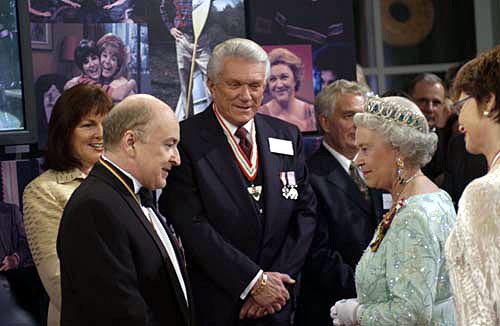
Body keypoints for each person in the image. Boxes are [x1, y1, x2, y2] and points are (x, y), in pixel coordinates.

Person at [159, 38, 317, 326]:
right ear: (211, 85)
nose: (246, 96)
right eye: (234, 85)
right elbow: (190, 223)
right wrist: (253, 282)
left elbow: (305, 215)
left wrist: (275, 285)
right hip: (221, 303)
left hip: (279, 302)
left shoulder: (287, 135)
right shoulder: (185, 140)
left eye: (255, 86)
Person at [57, 94, 192, 326]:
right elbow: (119, 314)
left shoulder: (132, 195)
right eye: (169, 145)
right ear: (130, 142)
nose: (177, 159)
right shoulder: (94, 207)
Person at [331, 96, 456, 325]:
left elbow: (411, 314)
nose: (357, 160)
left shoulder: (414, 215)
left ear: (398, 151)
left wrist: (357, 314)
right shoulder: (434, 195)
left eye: (365, 149)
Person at [23, 84, 113, 326]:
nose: (101, 133)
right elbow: (58, 283)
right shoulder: (42, 191)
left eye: (107, 122)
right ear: (65, 132)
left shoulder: (124, 182)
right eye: (88, 125)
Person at [294, 80, 383, 326]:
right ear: (325, 122)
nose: (359, 124)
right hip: (334, 310)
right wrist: (371, 289)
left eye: (363, 116)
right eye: (349, 116)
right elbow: (317, 255)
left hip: (378, 309)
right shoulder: (310, 176)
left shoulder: (381, 168)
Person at [445, 45, 500, 325]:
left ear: (488, 100)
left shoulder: (485, 191)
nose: (458, 118)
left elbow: (486, 306)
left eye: (460, 105)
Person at [160, 0, 211, 121]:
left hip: (202, 41)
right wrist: (171, 28)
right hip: (182, 39)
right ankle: (188, 119)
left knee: (211, 80)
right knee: (185, 83)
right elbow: (163, 9)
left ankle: (212, 118)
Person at [258, 47, 315, 132]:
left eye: (284, 77)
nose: (279, 85)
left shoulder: (312, 113)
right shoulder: (259, 115)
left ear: (295, 79)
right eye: (273, 79)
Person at [96, 33, 136, 101]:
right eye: (105, 56)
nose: (107, 61)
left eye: (113, 59)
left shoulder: (120, 84)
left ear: (118, 65)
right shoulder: (95, 81)